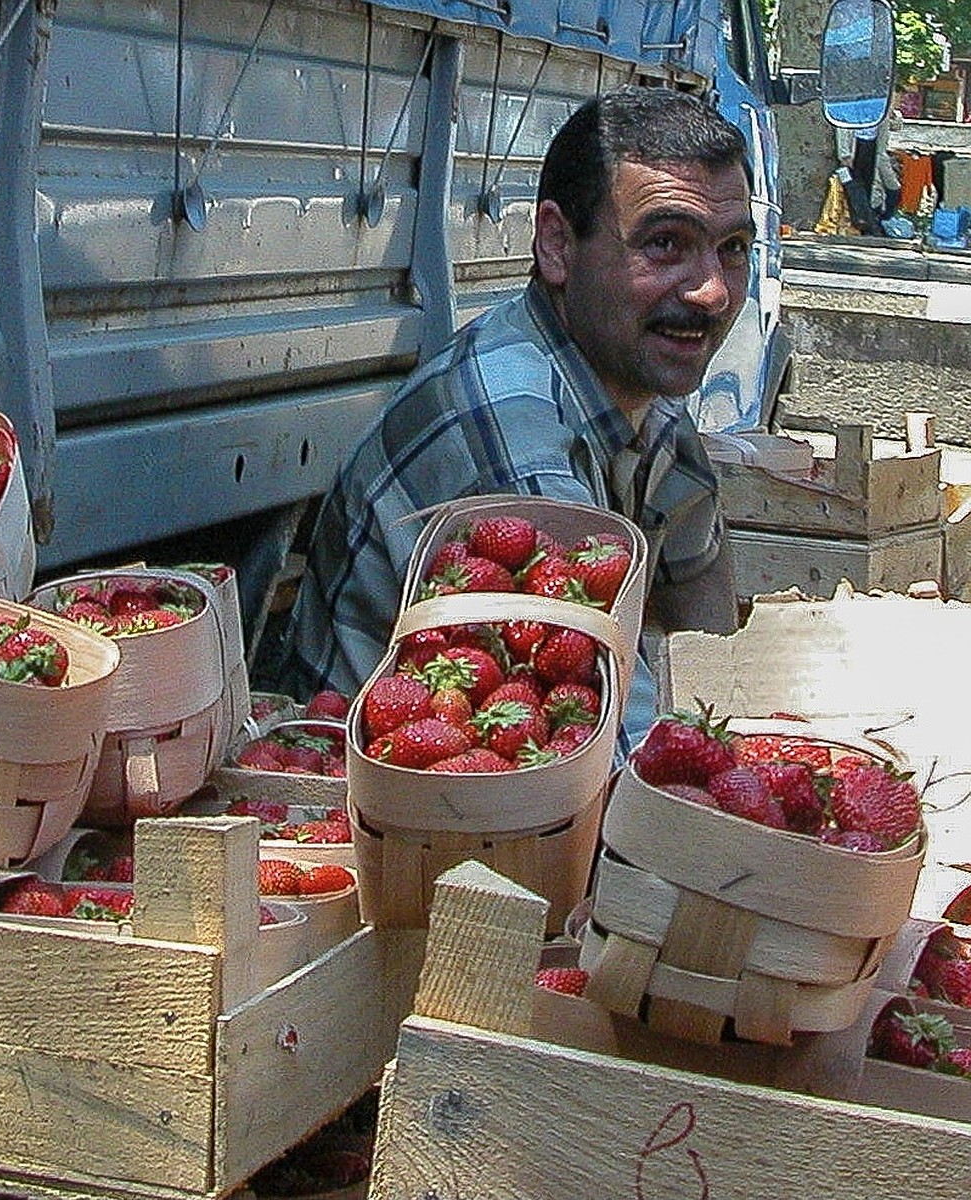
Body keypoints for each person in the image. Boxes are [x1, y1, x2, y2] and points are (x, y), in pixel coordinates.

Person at [269, 85, 751, 755]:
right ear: (556, 244)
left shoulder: (645, 396)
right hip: (367, 808)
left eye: (732, 248)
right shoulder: (513, 428)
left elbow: (707, 627)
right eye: (665, 245)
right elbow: (611, 754)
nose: (713, 291)